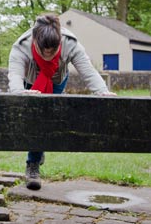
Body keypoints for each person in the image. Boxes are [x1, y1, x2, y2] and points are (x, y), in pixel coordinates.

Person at [8, 13, 116, 191]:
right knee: (35, 120)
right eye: (45, 51)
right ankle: (35, 159)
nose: (49, 56)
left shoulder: (70, 43)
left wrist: (103, 92)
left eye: (53, 51)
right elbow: (14, 75)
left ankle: (35, 157)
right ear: (36, 40)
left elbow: (88, 71)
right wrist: (20, 92)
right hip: (29, 83)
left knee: (48, 118)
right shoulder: (22, 46)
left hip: (57, 80)